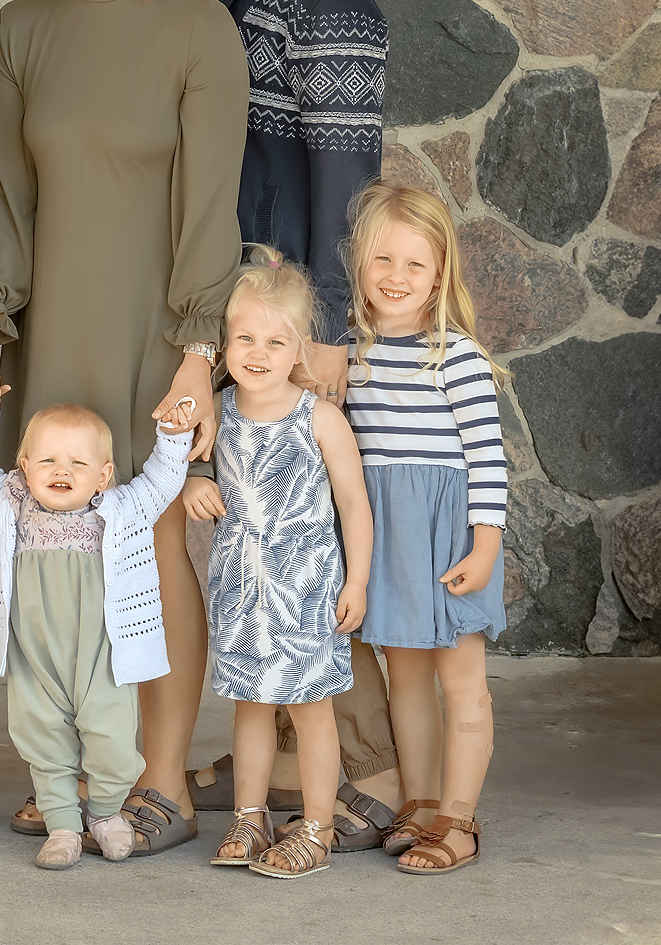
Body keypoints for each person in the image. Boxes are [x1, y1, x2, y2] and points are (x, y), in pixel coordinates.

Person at [0, 0, 247, 855]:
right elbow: (7, 198)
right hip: (50, 328)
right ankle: (67, 768)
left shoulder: (194, 30)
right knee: (54, 548)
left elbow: (210, 203)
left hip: (151, 327)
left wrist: (197, 352)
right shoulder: (19, 29)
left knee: (151, 539)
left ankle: (156, 776)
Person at [159, 0, 399, 846]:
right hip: (248, 319)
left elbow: (347, 174)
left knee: (306, 551)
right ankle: (303, 756)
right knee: (267, 544)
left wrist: (331, 338)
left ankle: (346, 776)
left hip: (296, 331)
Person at [184, 249, 372, 880]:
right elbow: (191, 469)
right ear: (225, 342)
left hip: (309, 586)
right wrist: (192, 485)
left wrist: (358, 580)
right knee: (251, 708)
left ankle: (316, 827)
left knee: (312, 710)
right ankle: (248, 815)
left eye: (275, 340)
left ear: (300, 350)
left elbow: (353, 503)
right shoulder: (221, 412)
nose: (257, 352)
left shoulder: (319, 417)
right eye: (243, 337)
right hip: (242, 588)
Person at [0, 386, 193, 870]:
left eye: (78, 464)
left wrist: (173, 435)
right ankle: (62, 824)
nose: (61, 471)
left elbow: (164, 481)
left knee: (113, 739)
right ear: (24, 466)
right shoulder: (12, 504)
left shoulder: (122, 509)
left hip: (102, 652)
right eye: (48, 461)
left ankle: (105, 812)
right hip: (35, 653)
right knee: (40, 736)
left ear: (103, 475)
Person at [341, 184, 506, 875]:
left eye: (415, 263)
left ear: (439, 272)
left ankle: (460, 822)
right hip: (388, 541)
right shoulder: (352, 356)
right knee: (404, 675)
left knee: (461, 679)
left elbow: (487, 456)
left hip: (448, 540)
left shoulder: (455, 356)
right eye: (383, 259)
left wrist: (486, 544)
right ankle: (419, 801)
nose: (397, 277)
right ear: (359, 266)